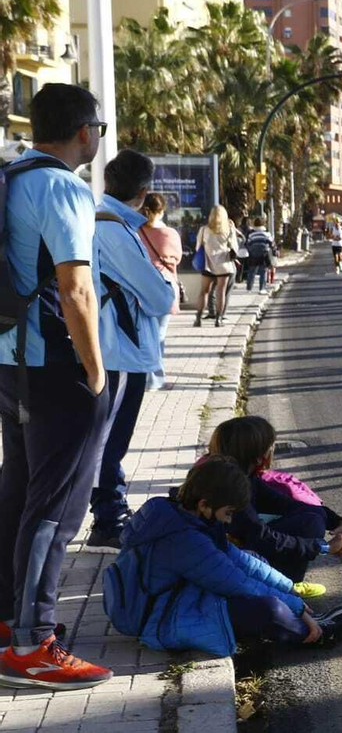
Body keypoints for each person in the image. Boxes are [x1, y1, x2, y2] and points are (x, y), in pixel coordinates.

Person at [0, 83, 115, 689]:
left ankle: (9, 624)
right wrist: (95, 371)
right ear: (85, 132)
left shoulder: (13, 176)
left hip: (10, 360)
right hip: (53, 366)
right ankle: (34, 641)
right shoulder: (63, 187)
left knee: (18, 493)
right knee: (58, 507)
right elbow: (75, 289)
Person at [104, 456, 342, 657]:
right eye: (228, 513)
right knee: (268, 609)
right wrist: (292, 605)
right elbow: (234, 582)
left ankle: (304, 619)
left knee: (254, 560)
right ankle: (317, 635)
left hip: (179, 596)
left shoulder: (186, 515)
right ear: (205, 504)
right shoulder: (182, 539)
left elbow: (240, 560)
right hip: (161, 618)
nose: (229, 521)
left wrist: (289, 589)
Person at [84, 150, 177, 554]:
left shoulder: (100, 221)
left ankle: (109, 512)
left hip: (110, 346)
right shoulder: (115, 231)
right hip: (119, 350)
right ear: (143, 192)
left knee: (109, 438)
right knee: (111, 439)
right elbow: (158, 297)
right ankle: (108, 520)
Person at [208, 417, 342, 586]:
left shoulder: (241, 476)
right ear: (260, 457)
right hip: (225, 561)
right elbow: (263, 539)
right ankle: (283, 589)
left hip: (238, 551)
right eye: (271, 446)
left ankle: (283, 584)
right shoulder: (231, 488)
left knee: (313, 515)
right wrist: (322, 547)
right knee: (310, 523)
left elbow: (289, 505)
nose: (272, 450)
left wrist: (338, 522)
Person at [137, 193, 182, 391]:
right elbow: (177, 258)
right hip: (165, 285)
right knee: (159, 335)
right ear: (162, 210)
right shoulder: (170, 234)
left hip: (142, 285)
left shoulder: (136, 231)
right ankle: (155, 379)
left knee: (145, 334)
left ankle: (147, 378)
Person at [194, 205, 239, 327]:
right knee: (221, 291)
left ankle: (198, 319)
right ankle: (218, 320)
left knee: (204, 292)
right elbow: (235, 247)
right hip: (223, 265)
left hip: (207, 264)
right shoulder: (229, 229)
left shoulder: (204, 229)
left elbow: (198, 247)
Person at [242, 218, 276, 293]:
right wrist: (274, 251)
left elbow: (248, 243)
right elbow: (272, 244)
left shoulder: (251, 234)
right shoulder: (267, 233)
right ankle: (262, 288)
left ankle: (249, 288)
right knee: (263, 271)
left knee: (251, 271)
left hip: (254, 255)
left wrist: (250, 251)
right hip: (264, 255)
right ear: (263, 224)